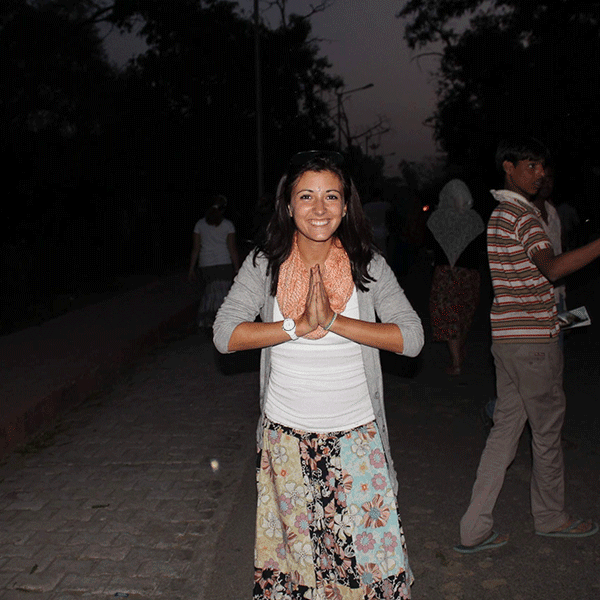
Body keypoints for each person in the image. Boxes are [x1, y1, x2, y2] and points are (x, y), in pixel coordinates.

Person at [214, 151, 424, 599]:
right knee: (300, 572)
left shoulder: (368, 264)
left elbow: (413, 338)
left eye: (332, 196)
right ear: (288, 205)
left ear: (346, 206)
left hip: (358, 439)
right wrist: (295, 326)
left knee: (373, 569)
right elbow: (224, 334)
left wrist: (333, 322)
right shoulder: (263, 264)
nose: (320, 208)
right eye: (306, 196)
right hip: (286, 441)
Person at [455, 137, 600, 554]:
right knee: (547, 433)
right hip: (534, 342)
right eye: (532, 166)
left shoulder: (499, 214)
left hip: (507, 339)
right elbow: (552, 268)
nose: (540, 174)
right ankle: (551, 517)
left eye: (542, 167)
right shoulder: (525, 216)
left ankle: (474, 528)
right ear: (508, 166)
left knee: (504, 434)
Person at [427, 179, 485, 375]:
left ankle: (456, 362)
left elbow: (431, 246)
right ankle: (458, 355)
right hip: (469, 275)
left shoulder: (439, 219)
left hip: (448, 275)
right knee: (461, 315)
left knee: (450, 316)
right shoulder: (475, 220)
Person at [188, 195, 240, 328]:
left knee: (210, 293)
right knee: (222, 295)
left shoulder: (199, 224)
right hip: (224, 264)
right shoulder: (228, 225)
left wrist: (191, 269)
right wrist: (237, 268)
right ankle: (218, 320)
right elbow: (232, 248)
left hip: (206, 265)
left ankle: (206, 318)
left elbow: (196, 248)